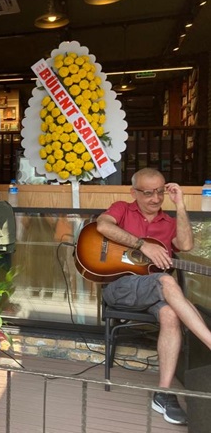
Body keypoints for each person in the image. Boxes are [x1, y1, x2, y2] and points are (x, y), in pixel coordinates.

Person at [96, 167, 211, 426]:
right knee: (166, 280)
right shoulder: (122, 209)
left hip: (153, 290)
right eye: (148, 193)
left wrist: (180, 205)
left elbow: (186, 245)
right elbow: (102, 226)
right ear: (133, 192)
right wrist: (142, 245)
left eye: (160, 192)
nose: (156, 198)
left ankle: (163, 393)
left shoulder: (168, 222)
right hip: (120, 286)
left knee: (170, 313)